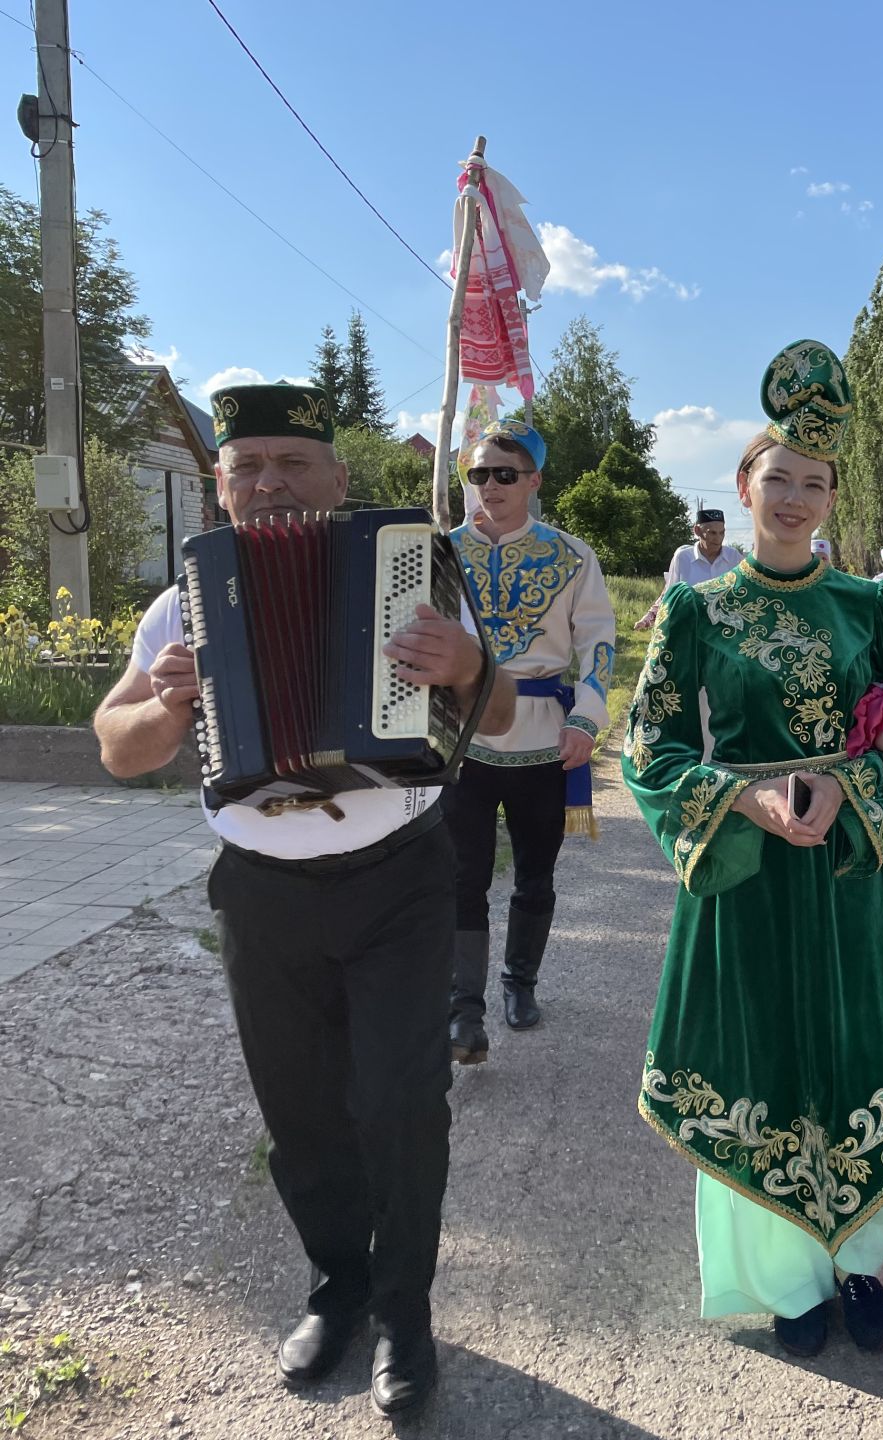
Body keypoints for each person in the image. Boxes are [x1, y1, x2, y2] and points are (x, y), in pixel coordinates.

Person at [92, 383, 517, 1416]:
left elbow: (498, 716)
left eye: (293, 464)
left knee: (401, 1105)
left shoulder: (411, 575)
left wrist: (469, 664)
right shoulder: (186, 602)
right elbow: (118, 749)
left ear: (337, 477)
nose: (271, 485)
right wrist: (164, 700)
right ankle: (340, 1284)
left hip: (398, 882)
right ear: (222, 489)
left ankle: (405, 1310)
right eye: (249, 469)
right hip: (262, 893)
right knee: (301, 1115)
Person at [623, 340, 883, 1358]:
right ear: (743, 485)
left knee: (855, 1052)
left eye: (815, 483)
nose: (796, 498)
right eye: (779, 478)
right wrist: (752, 801)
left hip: (851, 871)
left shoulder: (868, 604)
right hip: (746, 874)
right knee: (762, 1059)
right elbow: (654, 748)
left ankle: (859, 1264)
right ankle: (785, 1281)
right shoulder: (695, 608)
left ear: (831, 495)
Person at [445, 419, 617, 1063]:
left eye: (505, 474)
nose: (490, 485)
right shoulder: (441, 553)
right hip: (461, 739)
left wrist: (587, 718)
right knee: (462, 876)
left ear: (534, 481)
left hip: (546, 739)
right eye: (479, 473)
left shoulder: (572, 556)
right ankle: (464, 1009)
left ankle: (520, 985)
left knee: (534, 874)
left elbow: (598, 639)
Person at [634, 508, 744, 630]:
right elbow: (669, 595)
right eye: (712, 533)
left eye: (721, 533)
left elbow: (746, 593)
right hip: (691, 630)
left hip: (724, 633)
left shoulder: (734, 557)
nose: (718, 539)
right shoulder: (683, 558)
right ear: (697, 531)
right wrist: (649, 618)